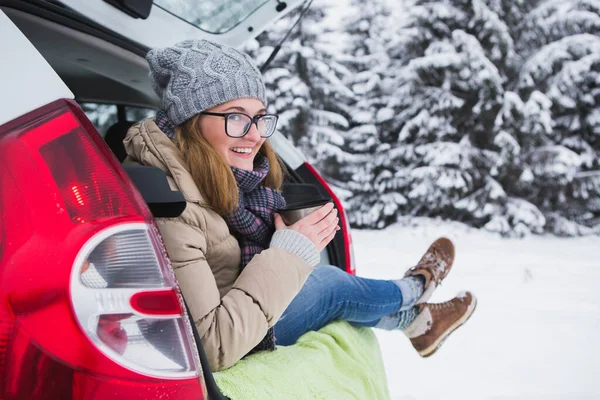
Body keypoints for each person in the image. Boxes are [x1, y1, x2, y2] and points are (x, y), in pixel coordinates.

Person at [123, 39, 477, 372]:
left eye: (260, 117)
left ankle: (416, 320)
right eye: (236, 117)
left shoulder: (211, 176)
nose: (256, 134)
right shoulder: (170, 203)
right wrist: (289, 254)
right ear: (191, 122)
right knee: (329, 285)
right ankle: (417, 288)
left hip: (237, 307)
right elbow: (212, 346)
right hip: (231, 334)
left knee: (320, 282)